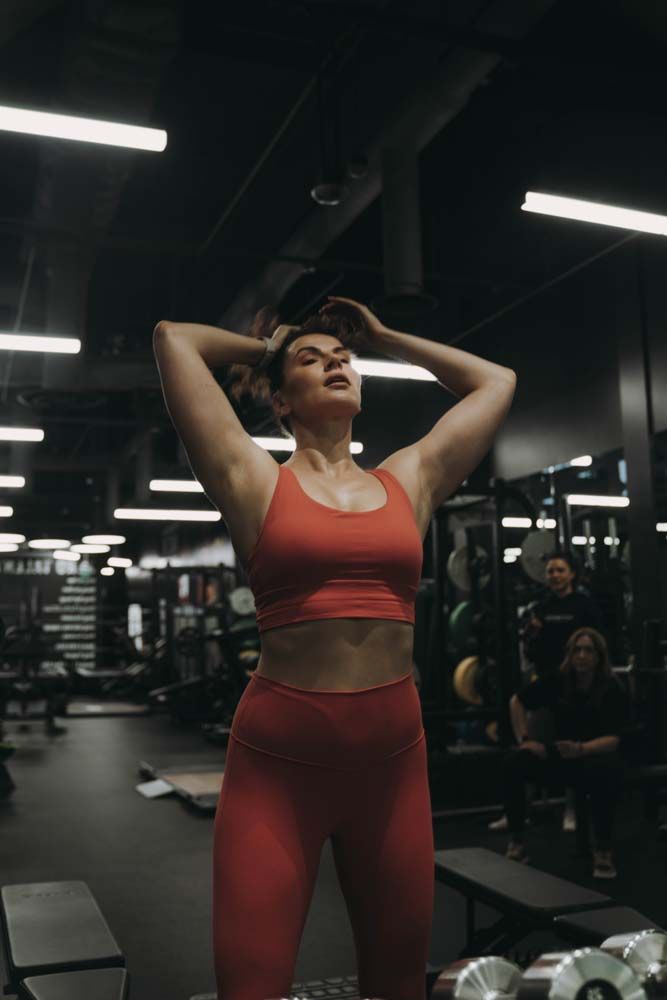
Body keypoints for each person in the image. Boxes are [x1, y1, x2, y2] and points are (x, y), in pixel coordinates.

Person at [153, 295, 517, 1000]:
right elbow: (173, 338)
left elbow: (495, 380)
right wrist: (271, 346)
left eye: (345, 358)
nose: (336, 363)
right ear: (282, 402)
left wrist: (382, 336)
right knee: (252, 986)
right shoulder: (251, 478)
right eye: (312, 362)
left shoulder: (407, 479)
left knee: (395, 984)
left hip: (393, 764)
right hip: (278, 768)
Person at [490, 552, 605, 833]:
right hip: (547, 683)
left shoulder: (585, 606)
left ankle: (571, 810)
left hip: (575, 685)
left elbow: (598, 644)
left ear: (572, 574)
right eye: (551, 571)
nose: (554, 575)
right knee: (529, 749)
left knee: (570, 745)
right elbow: (530, 647)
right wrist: (530, 633)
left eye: (560, 570)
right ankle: (519, 812)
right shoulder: (541, 608)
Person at [503, 627, 628, 880]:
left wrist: (581, 749)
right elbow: (516, 701)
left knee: (606, 769)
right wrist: (525, 740)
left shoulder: (612, 687)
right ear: (569, 654)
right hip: (560, 756)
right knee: (514, 762)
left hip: (594, 755)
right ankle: (517, 843)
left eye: (588, 650)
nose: (581, 655)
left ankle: (603, 850)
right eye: (577, 650)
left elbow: (615, 740)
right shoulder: (557, 680)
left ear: (599, 656)